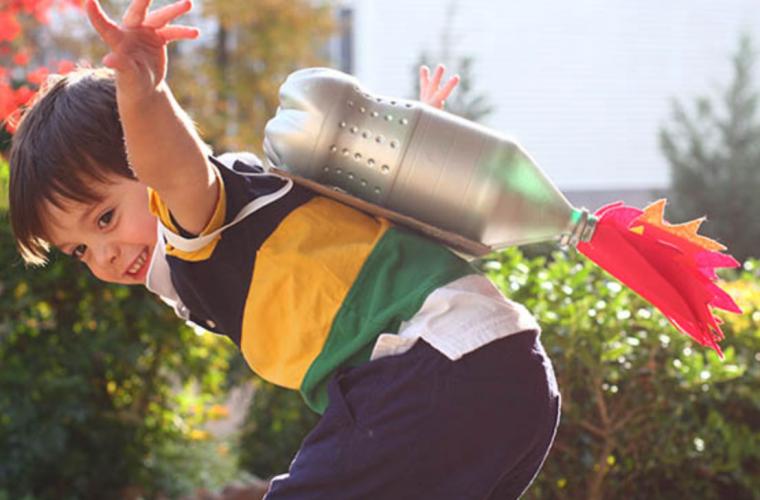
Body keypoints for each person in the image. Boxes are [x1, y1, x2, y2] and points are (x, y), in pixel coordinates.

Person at [8, 1, 560, 498]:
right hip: (508, 370)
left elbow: (174, 168)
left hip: (432, 363)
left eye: (105, 218)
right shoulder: (260, 205)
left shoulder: (196, 218)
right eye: (79, 250)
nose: (103, 255)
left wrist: (143, 89)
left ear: (147, 170)